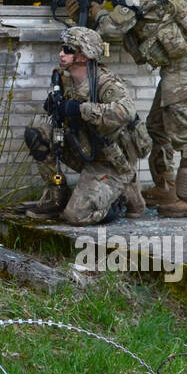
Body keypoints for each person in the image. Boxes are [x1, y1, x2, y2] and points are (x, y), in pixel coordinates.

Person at [90, 0, 187, 218]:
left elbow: (111, 29)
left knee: (185, 133)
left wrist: (98, 11)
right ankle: (166, 187)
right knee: (157, 127)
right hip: (178, 67)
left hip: (183, 67)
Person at [23, 26, 148, 225]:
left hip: (111, 161)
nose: (61, 54)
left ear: (83, 56)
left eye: (68, 50)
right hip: (84, 147)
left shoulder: (106, 84)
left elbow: (126, 112)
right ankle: (57, 197)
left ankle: (120, 198)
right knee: (38, 136)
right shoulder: (66, 79)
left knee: (76, 216)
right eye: (62, 49)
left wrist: (81, 109)